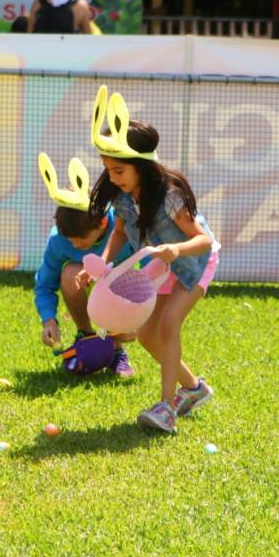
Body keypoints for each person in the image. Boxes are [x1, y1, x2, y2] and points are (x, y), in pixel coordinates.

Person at [76, 87, 218, 433]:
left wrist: (177, 250)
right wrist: (105, 265)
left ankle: (167, 408)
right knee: (146, 335)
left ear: (142, 165)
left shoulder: (169, 195)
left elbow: (203, 240)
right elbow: (121, 233)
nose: (112, 177)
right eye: (108, 169)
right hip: (160, 264)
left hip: (194, 261)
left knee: (169, 325)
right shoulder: (123, 196)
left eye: (119, 169)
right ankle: (195, 389)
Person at [34, 153, 135, 376]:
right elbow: (44, 286)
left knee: (115, 276)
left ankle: (116, 350)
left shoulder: (125, 228)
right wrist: (49, 321)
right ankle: (87, 336)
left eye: (80, 238)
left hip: (124, 284)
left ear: (101, 223)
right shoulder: (60, 239)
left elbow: (153, 273)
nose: (74, 244)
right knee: (70, 272)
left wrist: (140, 321)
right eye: (69, 238)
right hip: (86, 281)